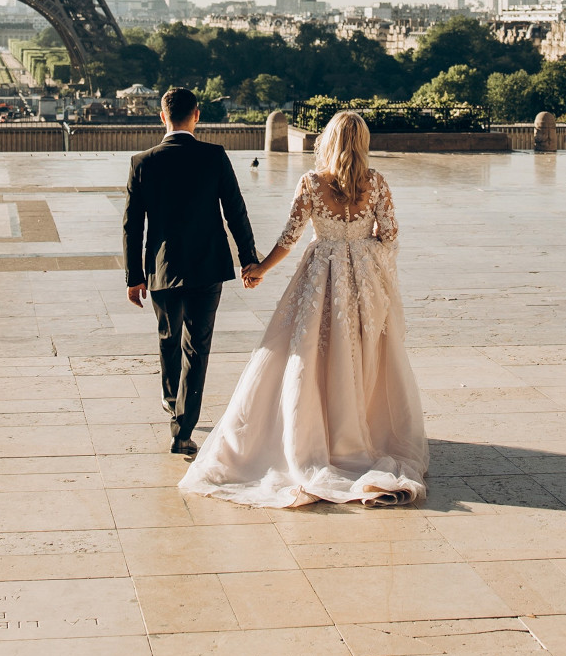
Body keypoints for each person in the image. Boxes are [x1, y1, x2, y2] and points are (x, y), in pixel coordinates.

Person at [179, 109, 427, 507]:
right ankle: (354, 431)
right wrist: (363, 254)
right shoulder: (376, 182)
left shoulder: (312, 183)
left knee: (309, 352)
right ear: (362, 143)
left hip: (320, 274)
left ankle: (314, 433)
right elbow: (391, 234)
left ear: (327, 140)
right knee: (362, 352)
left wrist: (259, 268)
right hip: (364, 279)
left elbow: (290, 237)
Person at [122, 86, 261, 456]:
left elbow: (132, 226)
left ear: (161, 117)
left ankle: (171, 400)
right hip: (208, 265)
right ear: (197, 115)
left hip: (163, 267)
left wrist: (133, 276)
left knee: (168, 337)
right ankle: (183, 429)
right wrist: (248, 258)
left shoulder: (142, 162)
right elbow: (236, 211)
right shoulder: (215, 156)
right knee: (197, 346)